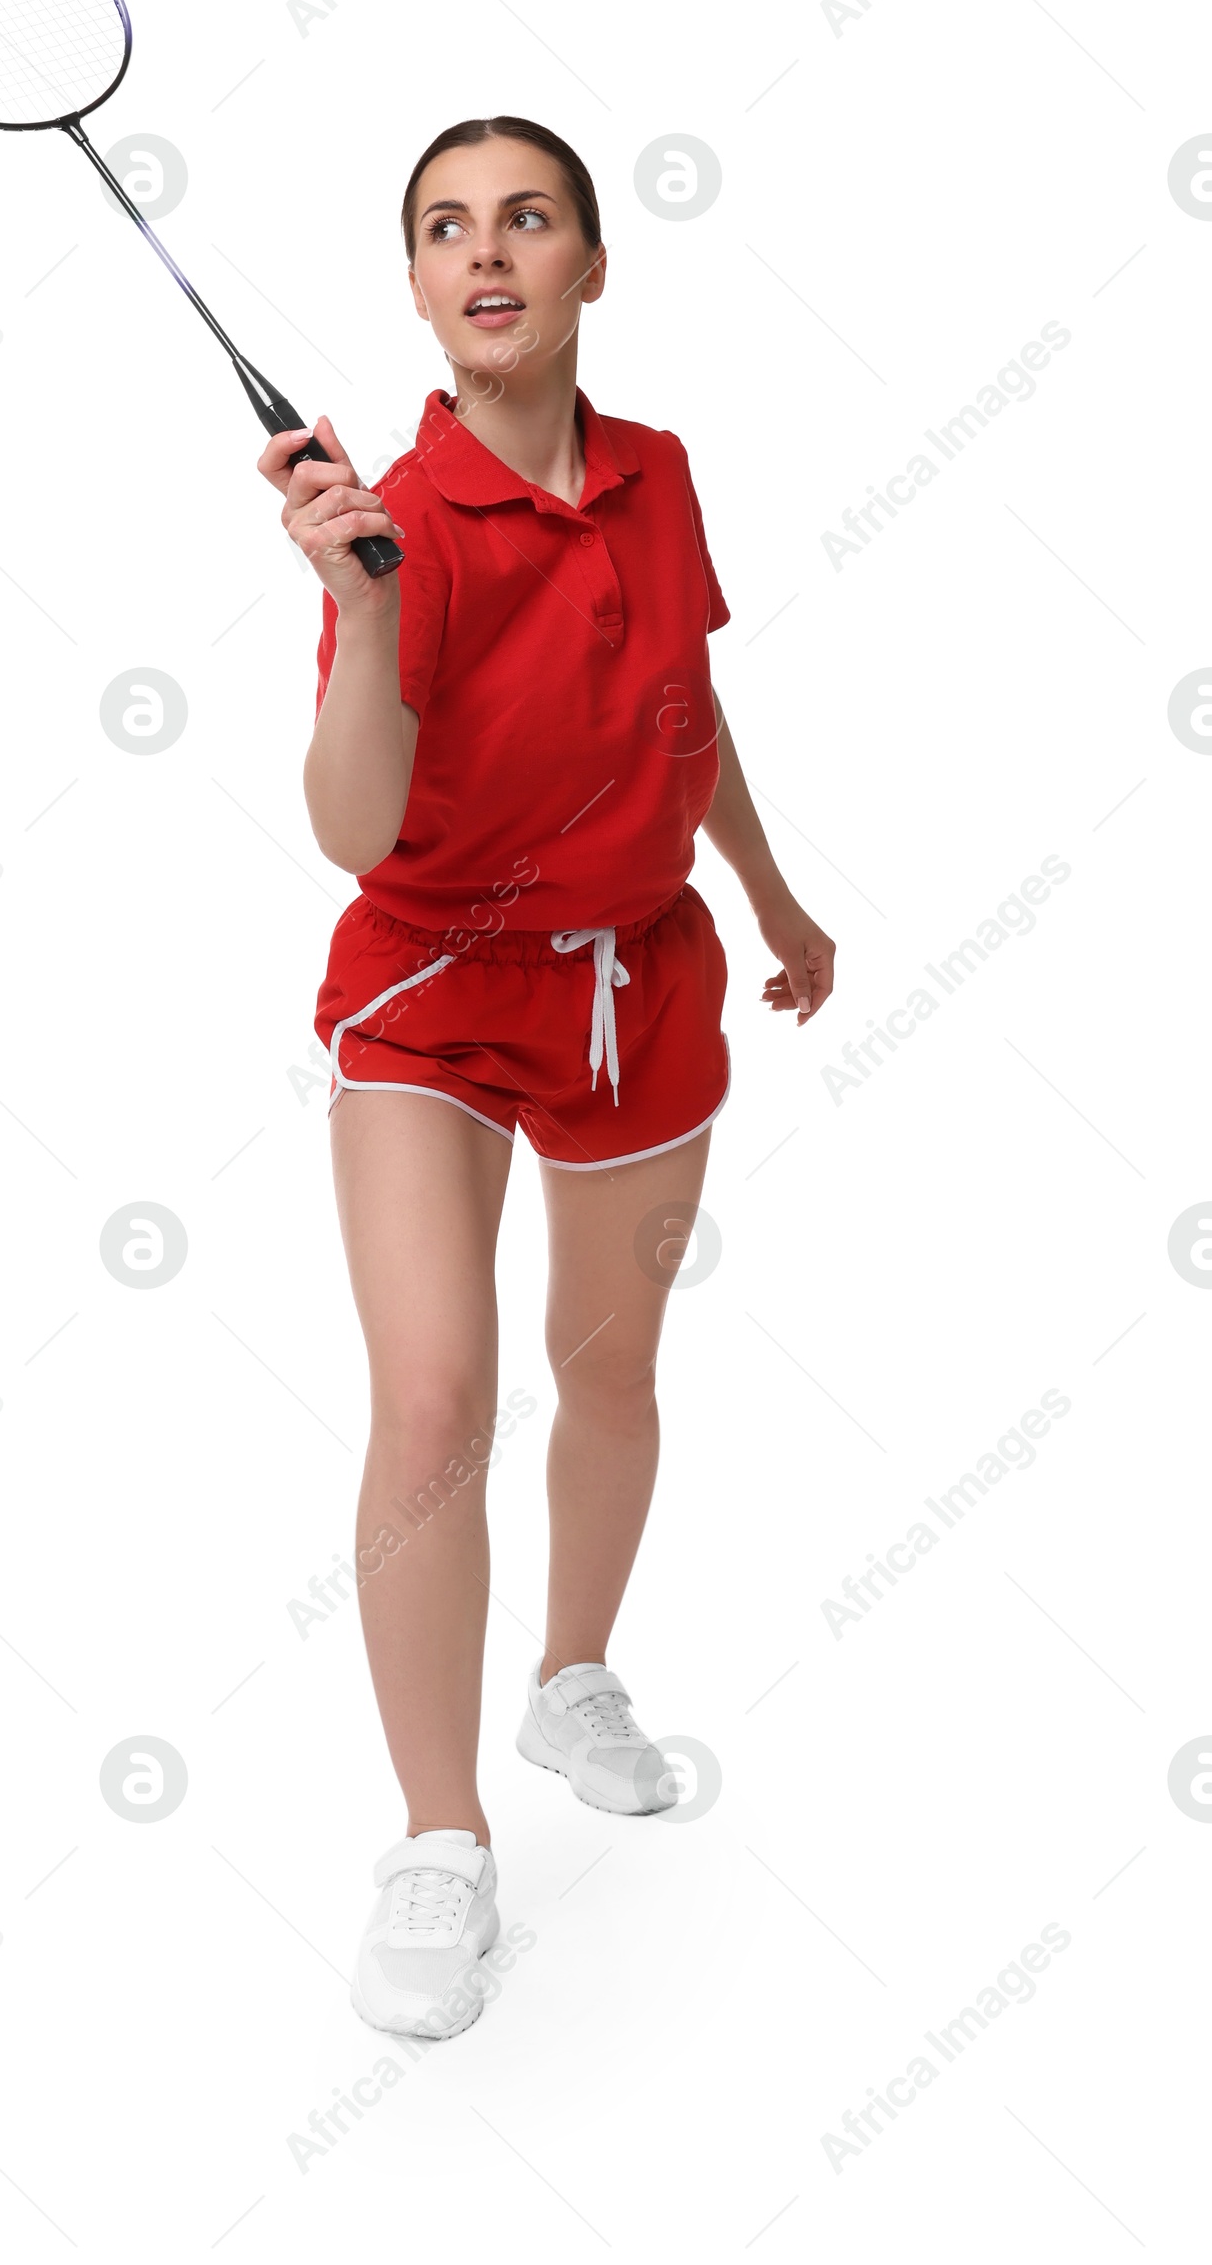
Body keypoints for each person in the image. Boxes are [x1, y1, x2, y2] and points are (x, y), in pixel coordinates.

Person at [258, 115, 835, 2039]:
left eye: (527, 219)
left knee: (611, 1371)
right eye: (445, 227)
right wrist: (358, 611)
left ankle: (572, 1675)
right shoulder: (394, 521)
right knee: (436, 1397)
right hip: (431, 984)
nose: (485, 250)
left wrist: (767, 888)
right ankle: (442, 1840)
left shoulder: (660, 478)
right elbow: (352, 826)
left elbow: (688, 697)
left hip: (636, 980)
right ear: (416, 287)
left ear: (594, 265)